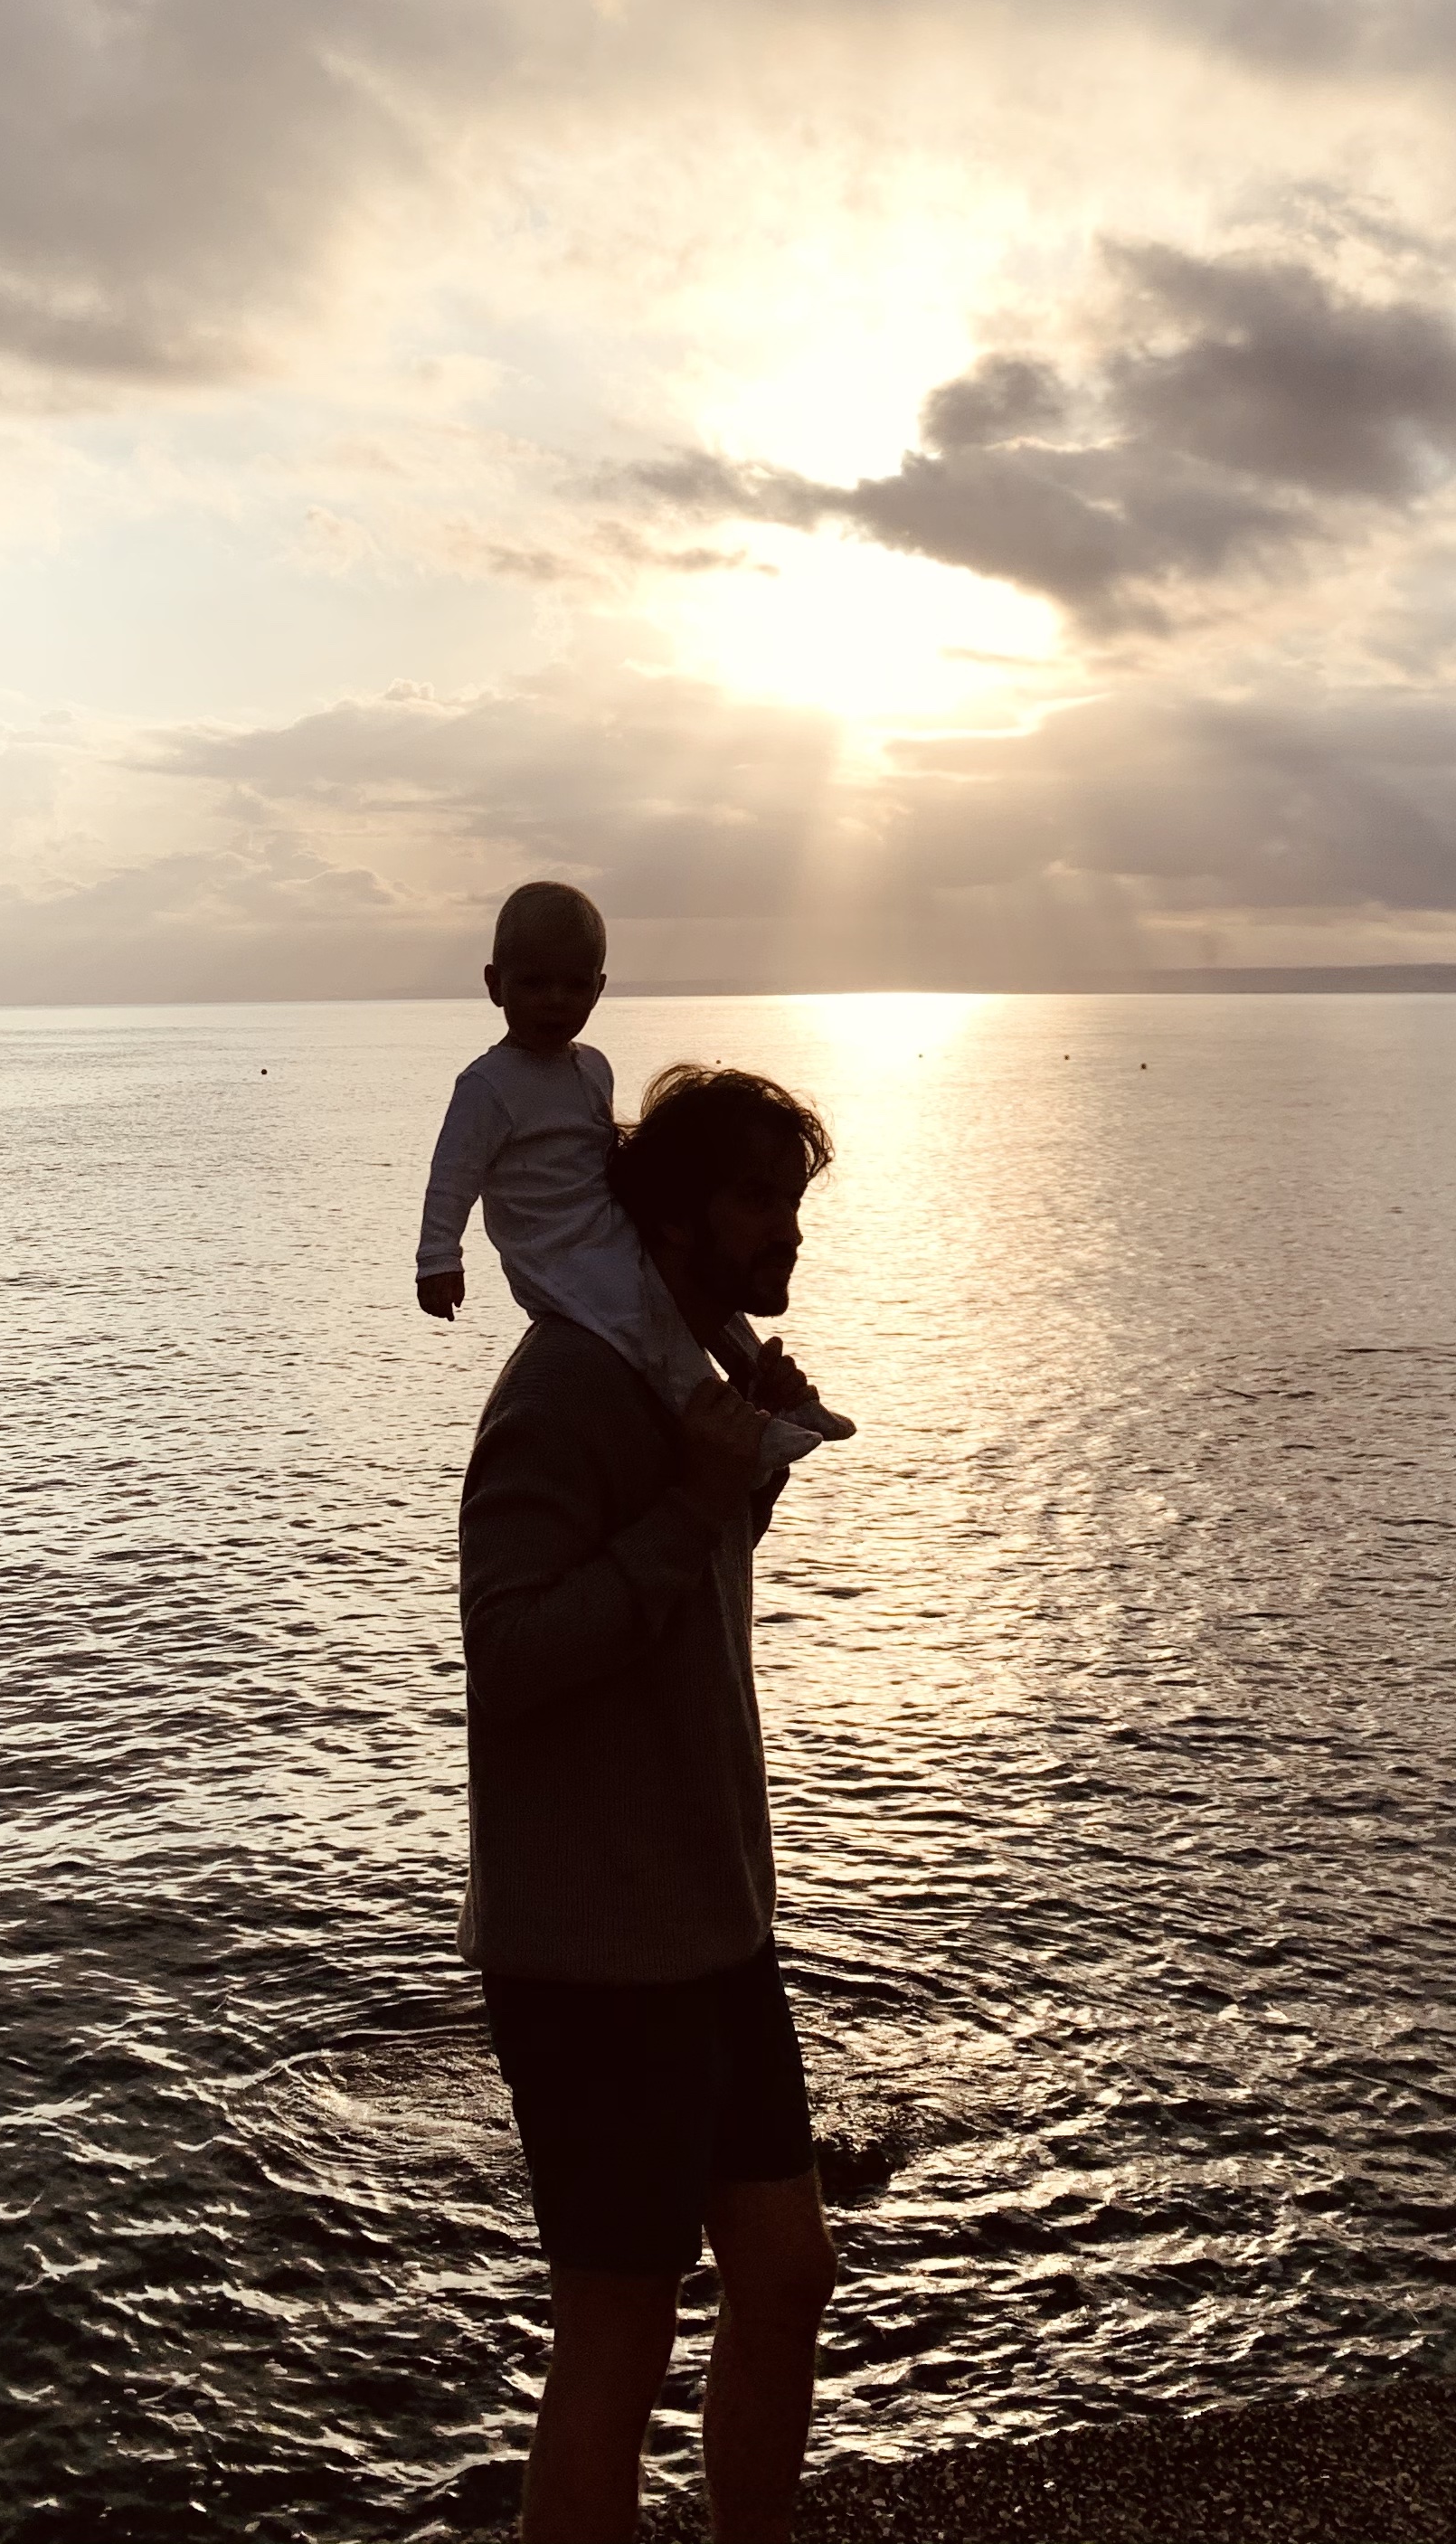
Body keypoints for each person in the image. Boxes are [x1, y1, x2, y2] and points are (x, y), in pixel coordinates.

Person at [457, 1059, 842, 2544]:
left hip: (707, 1926)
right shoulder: (564, 1382)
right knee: (612, 2337)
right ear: (668, 1215)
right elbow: (513, 1651)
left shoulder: (696, 1366)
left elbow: (669, 1586)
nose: (782, 1232)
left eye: (790, 1201)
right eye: (754, 1197)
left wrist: (747, 1472)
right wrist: (696, 1496)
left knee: (786, 2265)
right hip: (588, 1954)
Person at [416, 880, 852, 1461]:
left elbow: (602, 1149)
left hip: (607, 1224)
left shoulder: (592, 1067)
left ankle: (777, 1396)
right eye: (534, 982)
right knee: (650, 1327)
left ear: (598, 990)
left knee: (701, 1298)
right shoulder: (487, 1088)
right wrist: (439, 1259)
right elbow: (453, 1177)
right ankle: (735, 1425)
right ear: (496, 985)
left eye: (574, 985)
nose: (554, 1000)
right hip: (556, 1252)